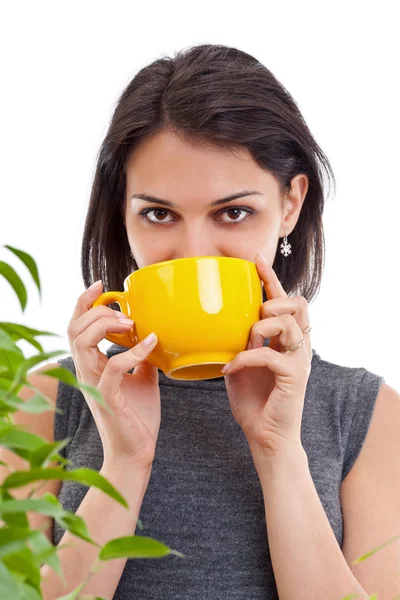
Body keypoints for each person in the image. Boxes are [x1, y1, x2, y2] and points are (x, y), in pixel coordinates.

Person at [10, 44, 400, 599]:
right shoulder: (46, 402)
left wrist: (279, 451)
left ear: (290, 204)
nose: (194, 253)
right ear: (122, 214)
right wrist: (123, 460)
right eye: (158, 213)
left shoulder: (368, 415)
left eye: (234, 212)